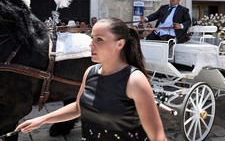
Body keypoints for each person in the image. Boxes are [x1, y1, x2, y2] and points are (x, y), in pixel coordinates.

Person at [16, 17, 167, 141]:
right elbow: (78, 107)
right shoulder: (90, 72)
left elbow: (158, 136)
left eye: (99, 39)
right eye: (92, 38)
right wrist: (41, 120)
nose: (91, 45)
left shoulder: (135, 81)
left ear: (119, 44)